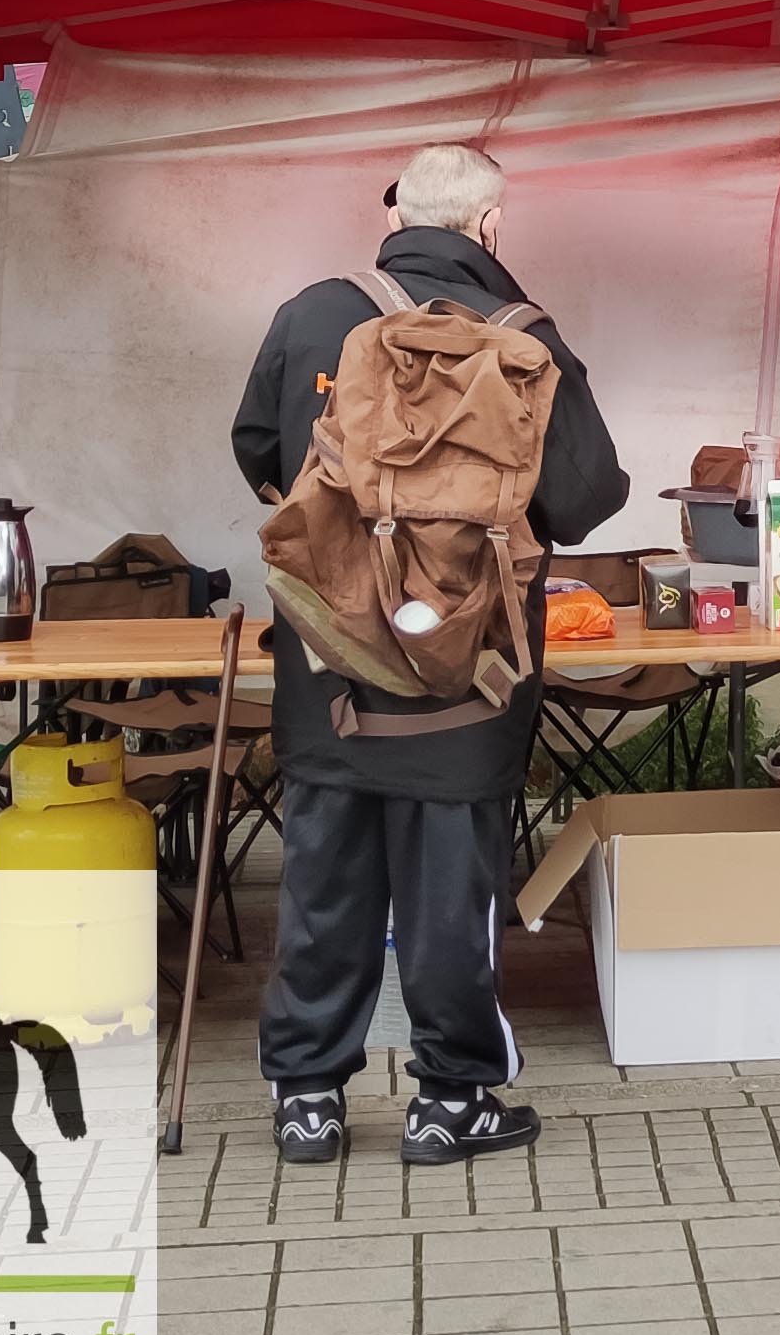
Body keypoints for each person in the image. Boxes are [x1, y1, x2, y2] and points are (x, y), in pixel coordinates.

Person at [233, 143, 627, 1167]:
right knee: (452, 888)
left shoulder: (318, 311)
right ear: (489, 228)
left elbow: (259, 453)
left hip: (331, 657)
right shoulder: (524, 336)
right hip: (471, 669)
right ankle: (451, 1102)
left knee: (322, 879)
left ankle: (310, 1098)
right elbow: (587, 497)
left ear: (398, 214)